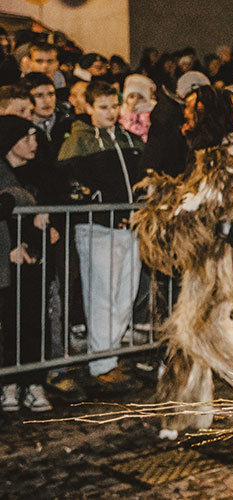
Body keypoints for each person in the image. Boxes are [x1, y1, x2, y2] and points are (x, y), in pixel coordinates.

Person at [131, 86, 233, 436]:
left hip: (224, 259)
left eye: (194, 109)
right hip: (214, 255)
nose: (188, 115)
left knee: (199, 329)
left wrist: (176, 211)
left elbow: (219, 204)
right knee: (190, 330)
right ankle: (184, 414)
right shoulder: (222, 153)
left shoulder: (229, 157)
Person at [56, 80, 145, 391]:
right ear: (89, 107)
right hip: (97, 229)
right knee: (102, 297)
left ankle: (109, 354)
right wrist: (99, 203)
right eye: (103, 107)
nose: (111, 112)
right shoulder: (78, 141)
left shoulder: (129, 139)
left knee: (126, 295)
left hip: (130, 227)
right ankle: (102, 365)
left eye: (114, 106)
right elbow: (71, 186)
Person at [0, 116, 55, 413]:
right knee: (9, 319)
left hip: (35, 256)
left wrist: (44, 233)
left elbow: (48, 211)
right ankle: (9, 381)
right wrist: (13, 243)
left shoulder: (39, 172)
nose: (34, 143)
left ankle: (34, 381)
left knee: (35, 318)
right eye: (27, 137)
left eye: (35, 136)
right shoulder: (4, 174)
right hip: (8, 259)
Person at [118, 74, 156, 142]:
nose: (135, 101)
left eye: (140, 97)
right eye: (132, 96)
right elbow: (125, 128)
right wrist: (129, 113)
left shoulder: (149, 112)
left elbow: (142, 130)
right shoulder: (123, 112)